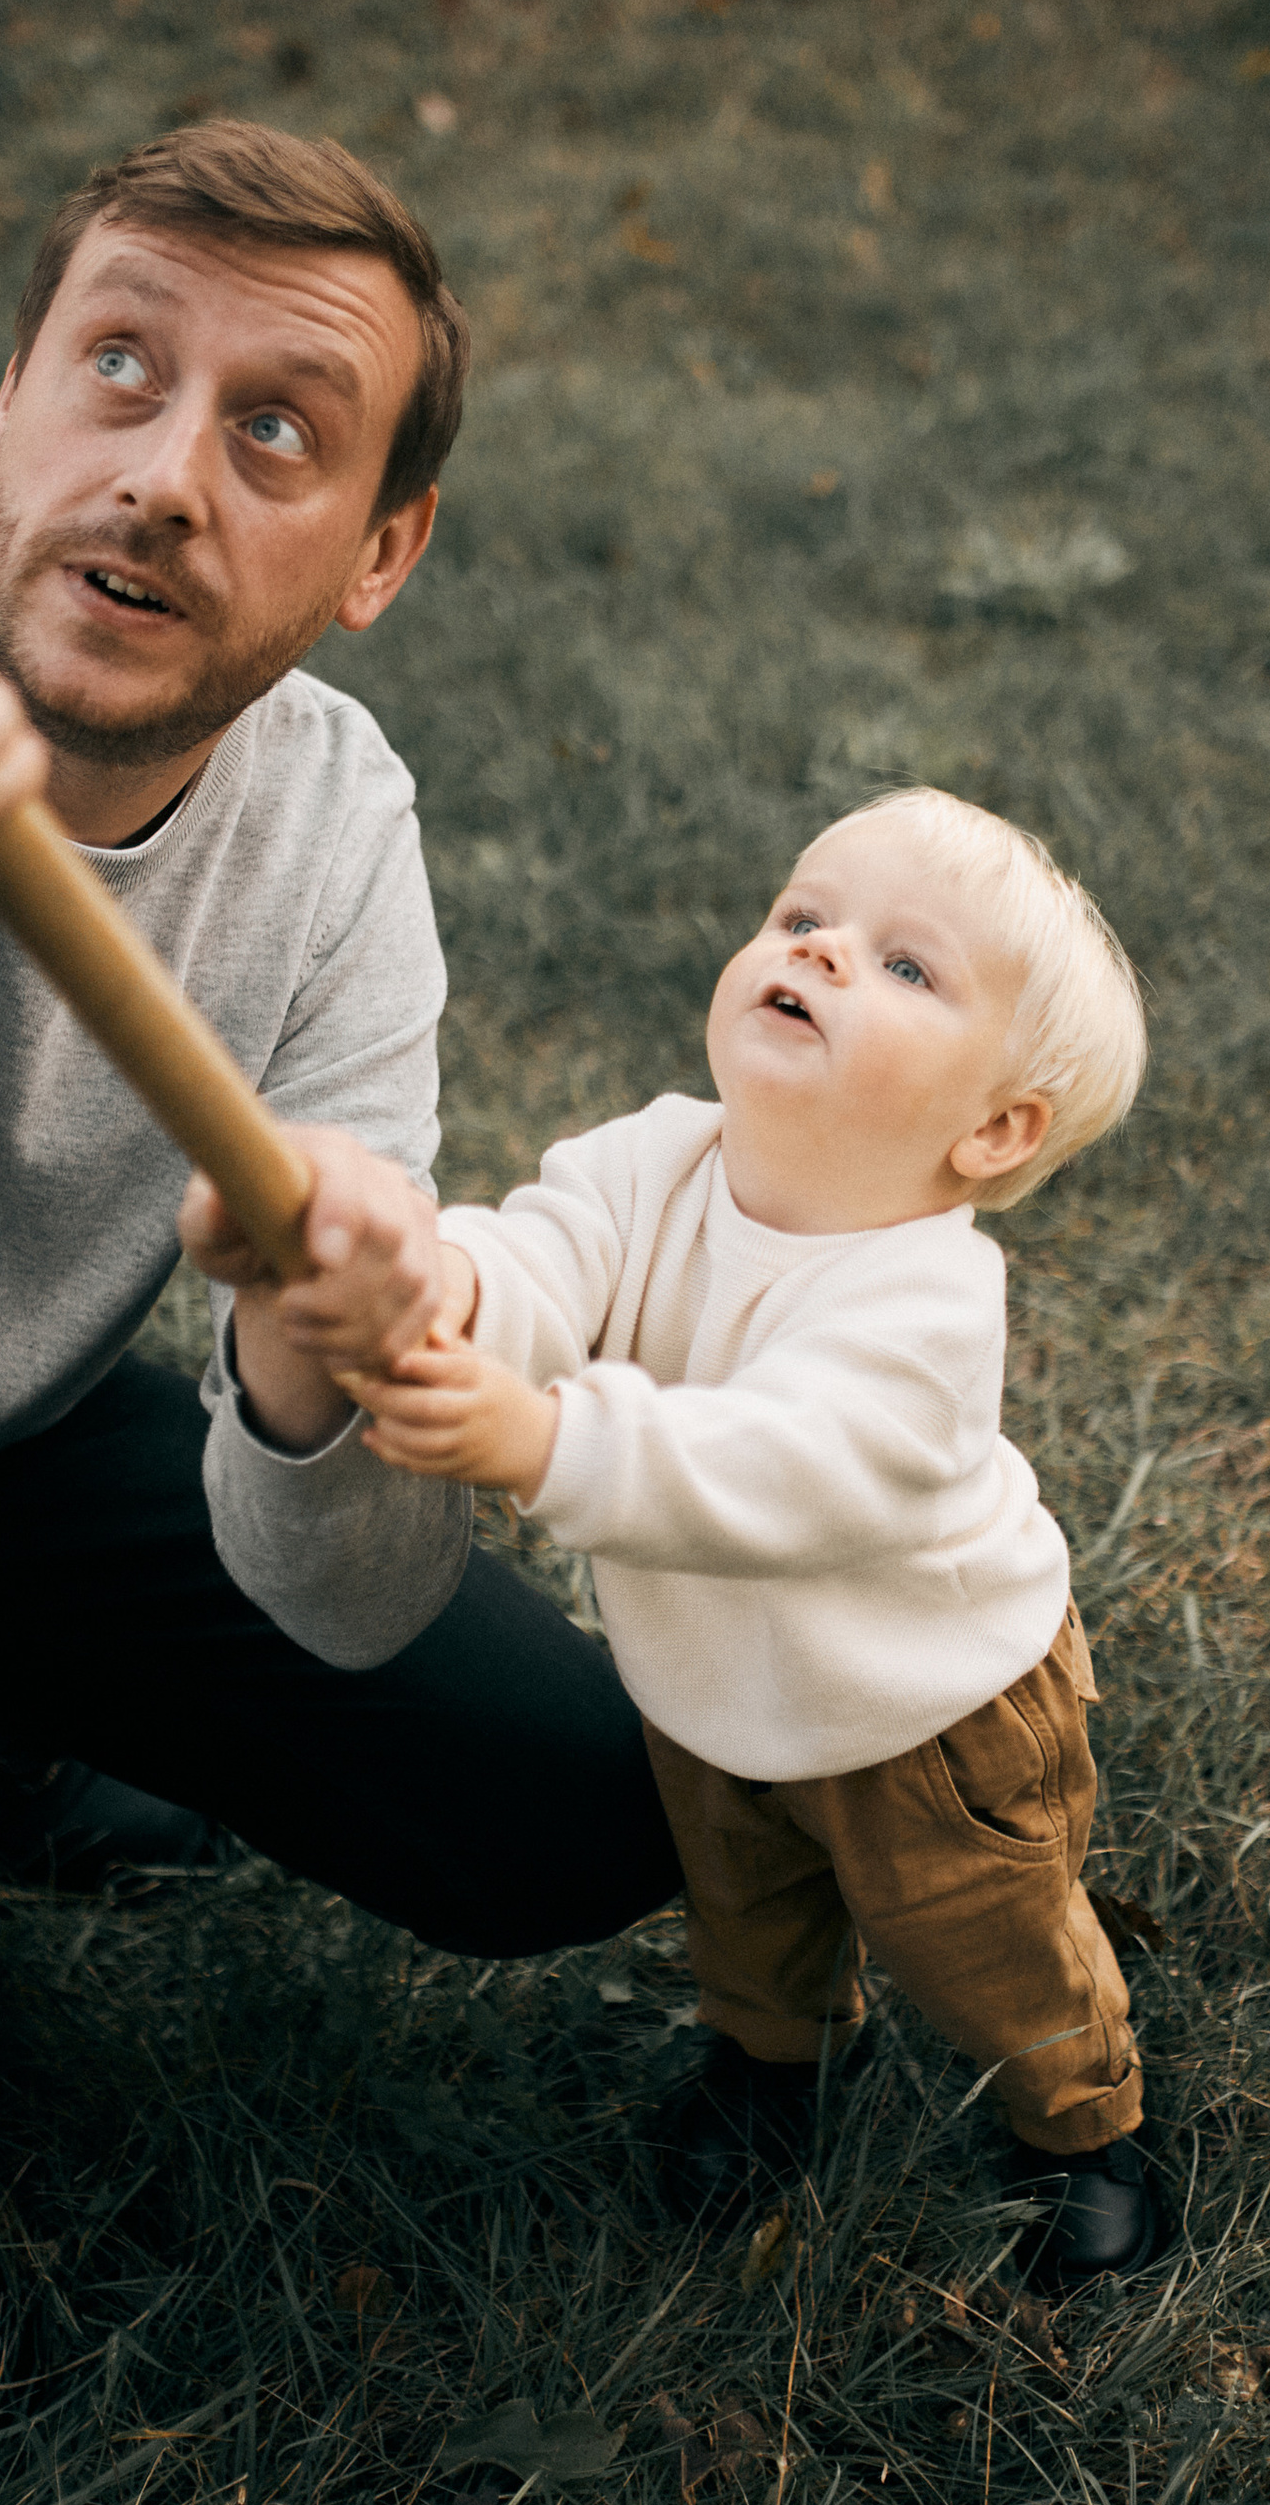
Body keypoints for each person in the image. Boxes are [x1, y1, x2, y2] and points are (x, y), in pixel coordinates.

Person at [0, 120, 677, 2417]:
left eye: (274, 431)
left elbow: (346, 1596)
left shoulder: (331, 833)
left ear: (382, 554)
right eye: (115, 369)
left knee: (570, 1799)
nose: (166, 474)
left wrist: (302, 1380)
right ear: (4, 406)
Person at [343, 788, 1161, 2288]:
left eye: (909, 968)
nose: (827, 952)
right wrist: (450, 1290)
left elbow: (785, 1470)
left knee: (987, 1949)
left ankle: (1080, 2123)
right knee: (749, 1909)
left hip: (933, 1718)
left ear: (995, 1128)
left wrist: (546, 1440)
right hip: (710, 1695)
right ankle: (774, 2062)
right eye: (804, 918)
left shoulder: (927, 1307)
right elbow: (544, 1255)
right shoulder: (654, 1161)